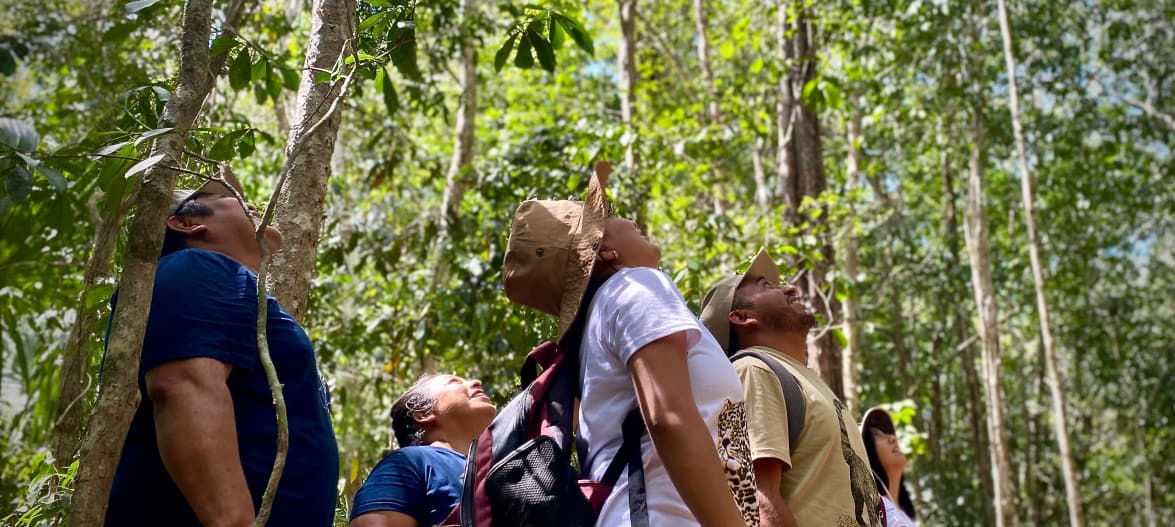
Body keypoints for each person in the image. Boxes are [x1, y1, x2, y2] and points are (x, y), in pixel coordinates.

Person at [502, 163, 759, 526]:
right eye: (609, 217)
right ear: (604, 250)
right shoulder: (636, 287)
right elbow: (668, 416)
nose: (624, 219)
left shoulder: (601, 322)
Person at [105, 170, 339, 526]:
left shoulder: (232, 288)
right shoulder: (195, 267)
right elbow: (183, 385)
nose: (252, 205)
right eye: (232, 199)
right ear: (186, 222)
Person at [699, 248, 883, 527]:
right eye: (767, 286)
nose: (791, 288)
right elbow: (760, 502)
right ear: (741, 317)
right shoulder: (754, 370)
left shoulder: (804, 379)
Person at [350, 373, 497, 527]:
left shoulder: (501, 464)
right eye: (454, 381)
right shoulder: (408, 462)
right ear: (423, 413)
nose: (476, 382)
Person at [861, 407, 918, 527]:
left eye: (889, 433)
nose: (893, 438)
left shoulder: (903, 515)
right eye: (876, 434)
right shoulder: (873, 511)